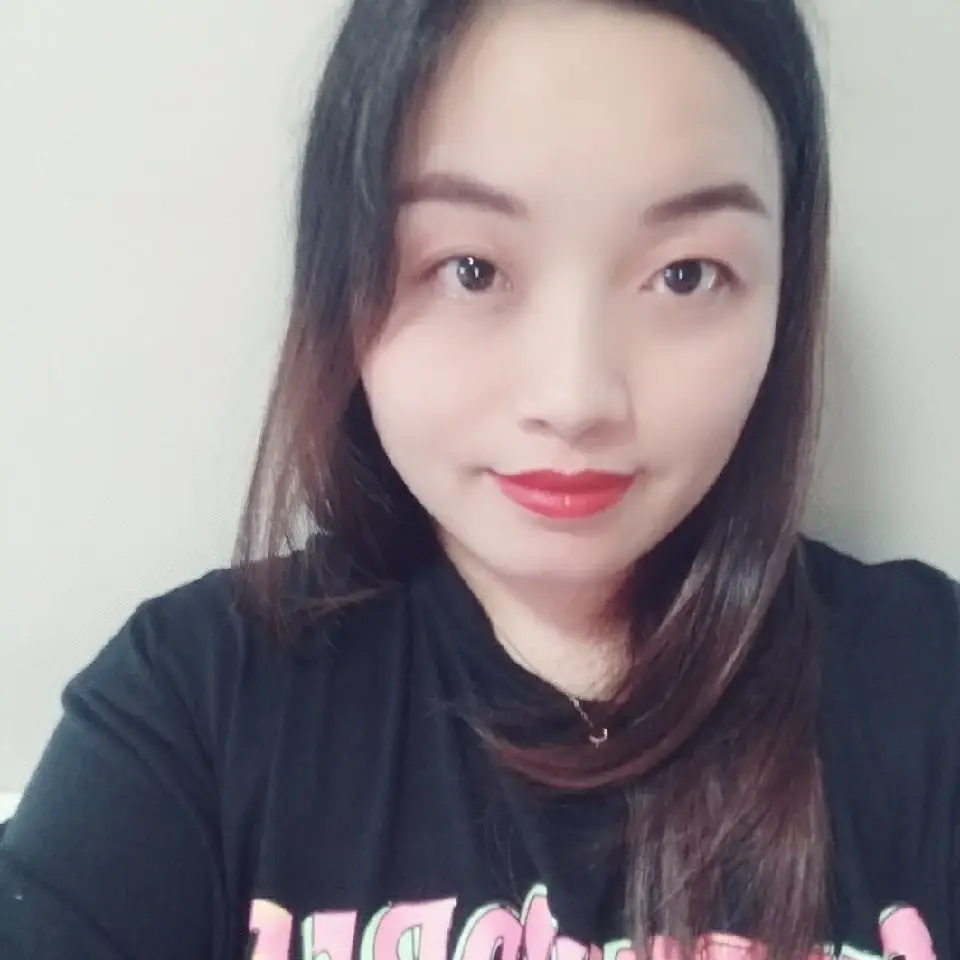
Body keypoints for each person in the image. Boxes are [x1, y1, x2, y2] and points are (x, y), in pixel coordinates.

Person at [1, 0, 958, 957]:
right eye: (470, 269)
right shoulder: (197, 707)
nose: (575, 398)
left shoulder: (929, 685)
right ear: (345, 277)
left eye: (685, 274)